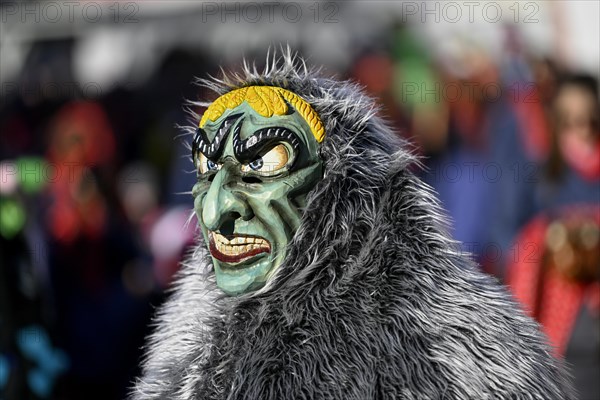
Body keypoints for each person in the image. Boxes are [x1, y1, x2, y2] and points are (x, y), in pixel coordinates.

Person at [132, 51, 573, 399]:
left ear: (339, 193)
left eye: (262, 166)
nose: (215, 211)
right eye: (207, 170)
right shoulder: (189, 353)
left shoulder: (459, 357)